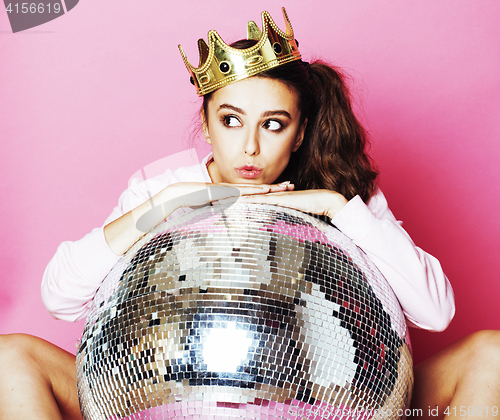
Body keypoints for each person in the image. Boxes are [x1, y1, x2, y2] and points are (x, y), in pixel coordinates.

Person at [0, 8, 498, 420]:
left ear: (300, 133)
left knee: (491, 356)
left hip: (323, 400)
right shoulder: (163, 188)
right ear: (207, 121)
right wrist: (162, 209)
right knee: (10, 359)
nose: (250, 147)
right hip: (168, 399)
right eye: (231, 120)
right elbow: (59, 298)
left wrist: (332, 207)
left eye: (274, 124)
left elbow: (436, 313)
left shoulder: (339, 192)